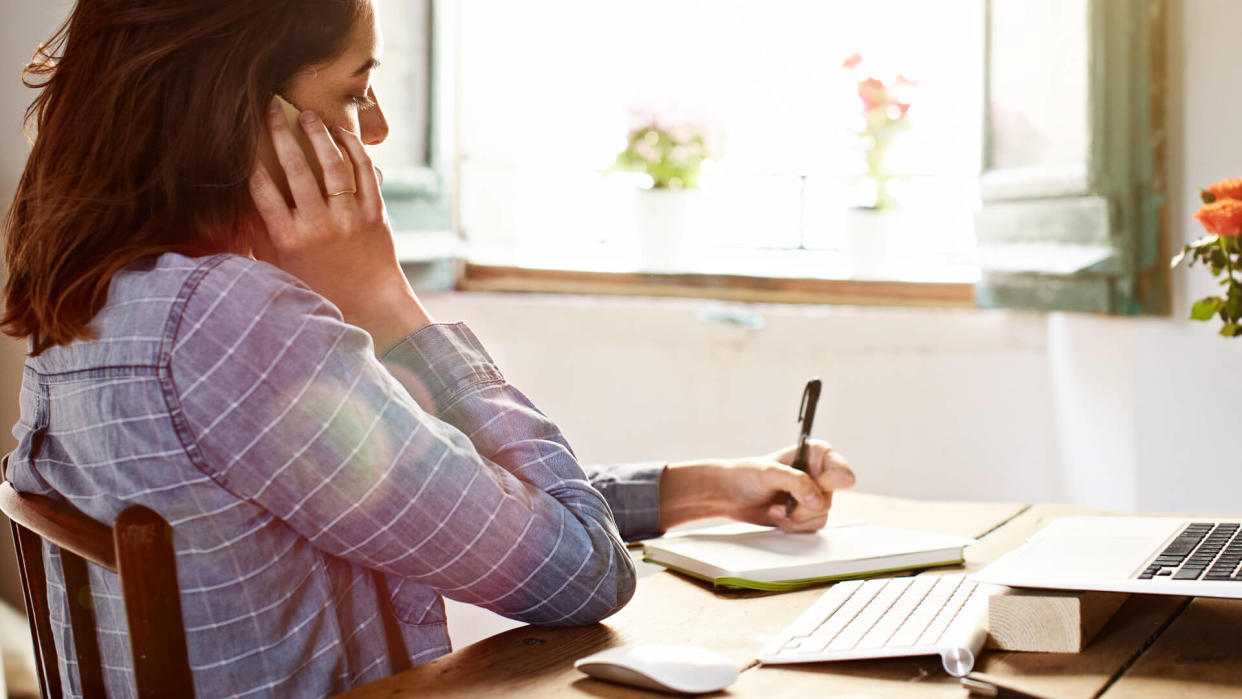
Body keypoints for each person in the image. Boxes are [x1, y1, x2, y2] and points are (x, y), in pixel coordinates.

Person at [1, 1, 855, 696]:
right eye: (352, 90)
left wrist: (698, 488)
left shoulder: (106, 305)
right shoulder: (234, 324)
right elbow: (581, 573)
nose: (371, 130)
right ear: (234, 108)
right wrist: (388, 303)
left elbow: (438, 485)